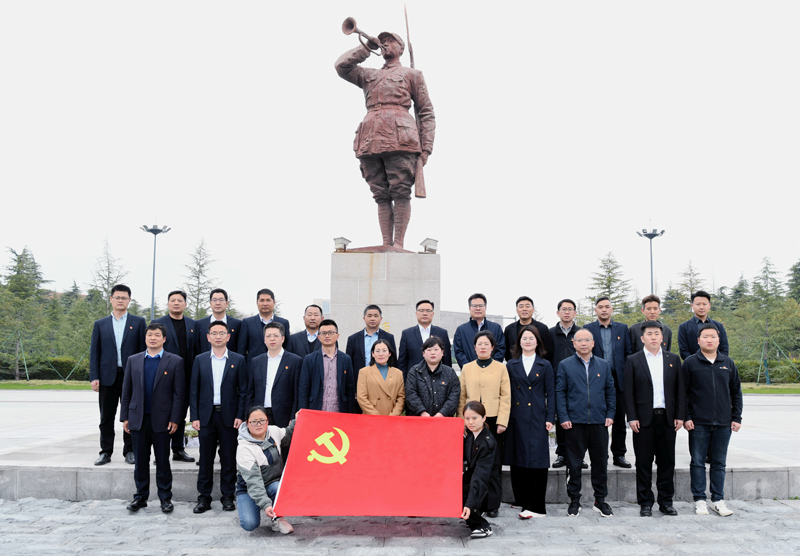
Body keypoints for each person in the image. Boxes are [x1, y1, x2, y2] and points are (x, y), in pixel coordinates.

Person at [335, 29, 435, 251]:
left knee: (401, 190)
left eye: (390, 41)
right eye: (383, 41)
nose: (385, 44)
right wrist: (366, 49)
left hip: (402, 138)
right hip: (370, 138)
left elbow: (426, 112)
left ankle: (398, 243)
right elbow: (341, 66)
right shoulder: (368, 75)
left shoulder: (412, 74)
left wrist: (426, 148)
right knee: (380, 193)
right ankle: (386, 242)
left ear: (401, 48)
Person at [120, 323, 184, 514]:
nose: (153, 338)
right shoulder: (133, 360)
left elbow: (178, 394)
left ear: (164, 339)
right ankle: (140, 497)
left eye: (157, 335)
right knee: (140, 461)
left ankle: (165, 498)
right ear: (145, 338)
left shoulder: (175, 361)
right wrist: (125, 417)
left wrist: (175, 418)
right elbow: (126, 390)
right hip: (138, 418)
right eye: (150, 335)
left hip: (163, 420)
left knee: (163, 460)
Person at [623, 321, 685, 517]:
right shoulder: (633, 360)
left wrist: (680, 415)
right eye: (649, 334)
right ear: (642, 338)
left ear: (662, 337)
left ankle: (666, 502)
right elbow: (628, 392)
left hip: (667, 419)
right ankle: (645, 503)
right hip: (643, 421)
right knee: (643, 463)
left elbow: (680, 390)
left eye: (657, 333)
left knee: (667, 463)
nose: (653, 337)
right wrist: (632, 417)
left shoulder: (673, 359)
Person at [683, 323, 743, 517]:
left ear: (719, 340)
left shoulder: (728, 363)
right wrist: (687, 417)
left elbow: (736, 392)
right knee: (697, 462)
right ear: (698, 340)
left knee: (719, 463)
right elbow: (683, 393)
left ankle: (718, 500)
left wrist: (736, 417)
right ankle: (699, 500)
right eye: (705, 337)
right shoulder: (690, 363)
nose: (709, 340)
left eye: (713, 337)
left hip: (724, 423)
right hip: (698, 423)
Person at [189, 320, 248, 514]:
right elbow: (194, 390)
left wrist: (240, 415)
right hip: (206, 416)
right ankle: (203, 498)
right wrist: (194, 416)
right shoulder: (200, 360)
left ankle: (228, 496)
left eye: (222, 333)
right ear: (208, 337)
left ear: (228, 336)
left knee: (228, 459)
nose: (218, 336)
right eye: (214, 333)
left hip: (230, 417)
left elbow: (243, 391)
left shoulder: (238, 360)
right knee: (205, 459)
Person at [556, 328, 616, 518]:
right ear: (574, 343)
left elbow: (610, 391)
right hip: (574, 423)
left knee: (600, 462)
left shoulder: (603, 365)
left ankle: (600, 500)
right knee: (574, 464)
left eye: (587, 340)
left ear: (593, 343)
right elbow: (560, 392)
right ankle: (574, 500)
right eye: (579, 340)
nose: (583, 343)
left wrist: (610, 413)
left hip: (599, 421)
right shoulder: (565, 365)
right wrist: (564, 416)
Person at [89, 284, 146, 466]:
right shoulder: (100, 324)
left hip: (132, 377)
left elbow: (142, 351)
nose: (120, 300)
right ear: (111, 299)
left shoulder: (138, 323)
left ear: (129, 300)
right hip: (107, 377)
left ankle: (130, 451)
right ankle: (105, 451)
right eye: (117, 297)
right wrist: (94, 376)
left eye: (124, 298)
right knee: (106, 416)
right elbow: (95, 352)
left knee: (131, 415)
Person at [457, 331, 511, 518]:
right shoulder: (467, 368)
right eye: (479, 344)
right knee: (473, 463)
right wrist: (462, 421)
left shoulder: (500, 368)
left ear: (492, 347)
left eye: (486, 344)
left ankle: (493, 503)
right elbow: (462, 396)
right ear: (474, 347)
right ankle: (475, 502)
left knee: (494, 464)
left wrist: (502, 421)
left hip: (494, 419)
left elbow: (506, 396)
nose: (482, 347)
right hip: (472, 420)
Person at [506, 325, 554, 518]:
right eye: (524, 338)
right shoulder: (511, 364)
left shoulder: (545, 365)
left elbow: (551, 393)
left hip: (538, 416)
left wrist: (550, 417)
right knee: (517, 458)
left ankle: (536, 506)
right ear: (519, 342)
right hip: (516, 416)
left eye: (531, 338)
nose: (527, 341)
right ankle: (521, 499)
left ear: (537, 342)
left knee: (537, 459)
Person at [583, 296, 632, 468]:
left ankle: (619, 454)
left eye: (607, 307)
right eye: (600, 307)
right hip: (596, 380)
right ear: (596, 310)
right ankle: (600, 454)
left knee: (619, 419)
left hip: (618, 380)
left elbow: (628, 353)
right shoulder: (588, 329)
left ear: (611, 309)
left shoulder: (622, 328)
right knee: (598, 420)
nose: (604, 310)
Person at [153, 290, 197, 463]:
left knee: (180, 413)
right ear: (168, 304)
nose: (176, 303)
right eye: (173, 300)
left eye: (180, 300)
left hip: (186, 375)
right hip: (164, 375)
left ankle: (178, 449)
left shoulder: (193, 324)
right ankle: (161, 452)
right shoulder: (158, 323)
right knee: (162, 413)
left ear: (185, 304)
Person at [235, 406, 294, 534]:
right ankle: (261, 504)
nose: (259, 424)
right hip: (249, 488)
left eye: (262, 420)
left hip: (272, 484)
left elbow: (291, 433)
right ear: (247, 423)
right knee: (250, 524)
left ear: (267, 421)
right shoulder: (244, 448)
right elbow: (254, 481)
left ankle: (277, 518)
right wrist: (265, 504)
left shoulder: (273, 431)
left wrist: (299, 418)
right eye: (254, 421)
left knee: (279, 488)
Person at [247, 322, 303, 428]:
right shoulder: (256, 361)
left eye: (276, 336)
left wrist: (293, 417)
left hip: (285, 415)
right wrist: (249, 415)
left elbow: (297, 393)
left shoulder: (295, 361)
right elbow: (250, 392)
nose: (272, 339)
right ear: (264, 339)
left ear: (283, 338)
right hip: (260, 416)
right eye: (268, 336)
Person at [297, 319, 356, 413]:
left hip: (339, 411)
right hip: (315, 410)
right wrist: (303, 412)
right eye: (323, 333)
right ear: (319, 337)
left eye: (331, 332)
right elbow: (304, 388)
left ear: (337, 336)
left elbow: (350, 389)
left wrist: (351, 413)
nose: (327, 336)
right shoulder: (309, 359)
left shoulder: (346, 359)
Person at [549, 299, 581, 469]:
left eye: (570, 309)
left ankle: (578, 455)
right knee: (560, 417)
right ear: (558, 313)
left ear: (575, 313)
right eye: (563, 309)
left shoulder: (581, 333)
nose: (567, 312)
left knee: (578, 419)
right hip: (557, 382)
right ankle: (561, 453)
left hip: (579, 382)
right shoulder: (550, 333)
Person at [461, 400, 495, 539]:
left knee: (463, 493)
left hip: (485, 486)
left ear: (484, 418)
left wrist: (469, 504)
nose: (470, 422)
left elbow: (480, 477)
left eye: (474, 418)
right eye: (467, 418)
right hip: (474, 480)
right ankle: (470, 516)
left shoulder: (487, 443)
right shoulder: (470, 436)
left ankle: (482, 526)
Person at [404, 337, 461, 417]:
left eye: (436, 349)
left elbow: (454, 396)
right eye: (429, 350)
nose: (433, 353)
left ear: (442, 352)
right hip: (419, 419)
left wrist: (442, 413)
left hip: (443, 420)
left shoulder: (450, 373)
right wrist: (422, 412)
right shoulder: (414, 372)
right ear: (423, 353)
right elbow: (410, 394)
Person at [397, 299, 452, 376]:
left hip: (437, 378)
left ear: (433, 314)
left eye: (428, 311)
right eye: (421, 310)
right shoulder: (407, 333)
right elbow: (402, 362)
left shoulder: (442, 333)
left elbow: (447, 360)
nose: (425, 313)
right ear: (416, 313)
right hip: (414, 378)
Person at [345, 304, 397, 385]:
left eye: (376, 316)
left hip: (383, 381)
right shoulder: (353, 339)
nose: (372, 318)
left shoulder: (389, 337)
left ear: (381, 319)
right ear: (364, 318)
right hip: (360, 381)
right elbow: (348, 364)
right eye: (369, 316)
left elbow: (393, 361)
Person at [238, 289, 291, 364]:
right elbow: (241, 350)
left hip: (278, 366)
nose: (265, 304)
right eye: (262, 300)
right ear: (257, 303)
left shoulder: (283, 323)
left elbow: (287, 348)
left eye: (268, 300)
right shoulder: (247, 323)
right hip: (253, 367)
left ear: (274, 302)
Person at [454, 294, 506, 367]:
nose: (478, 308)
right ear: (469, 308)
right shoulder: (461, 330)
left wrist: (491, 368)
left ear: (485, 308)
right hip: (469, 371)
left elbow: (500, 350)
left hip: (492, 371)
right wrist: (469, 369)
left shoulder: (496, 328)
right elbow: (459, 352)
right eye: (474, 306)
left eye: (481, 306)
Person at [356, 339, 405, 415]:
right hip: (371, 417)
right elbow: (361, 397)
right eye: (377, 351)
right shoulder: (364, 372)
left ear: (389, 353)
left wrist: (394, 415)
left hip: (391, 417)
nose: (381, 354)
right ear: (373, 354)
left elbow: (401, 398)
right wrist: (377, 417)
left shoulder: (398, 373)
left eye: (384, 351)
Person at [678, 291, 730, 360]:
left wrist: (715, 362)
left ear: (709, 305)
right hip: (693, 365)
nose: (701, 307)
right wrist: (696, 363)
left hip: (716, 364)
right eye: (698, 304)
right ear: (692, 306)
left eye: (704, 304)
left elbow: (724, 349)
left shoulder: (719, 326)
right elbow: (683, 351)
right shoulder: (684, 327)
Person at [504, 296, 554, 365]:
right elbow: (506, 352)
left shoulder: (542, 328)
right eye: (521, 307)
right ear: (517, 310)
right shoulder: (509, 329)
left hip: (537, 367)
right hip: (514, 367)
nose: (524, 309)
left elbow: (548, 351)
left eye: (527, 306)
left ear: (533, 310)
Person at [195, 288, 242, 355]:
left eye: (221, 300)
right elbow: (196, 348)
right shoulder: (200, 324)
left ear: (227, 303)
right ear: (210, 303)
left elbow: (240, 347)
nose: (217, 303)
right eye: (214, 300)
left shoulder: (236, 324)